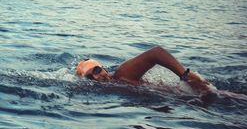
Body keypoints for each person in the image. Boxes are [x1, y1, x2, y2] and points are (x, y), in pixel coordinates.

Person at [76, 46, 211, 93]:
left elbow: (156, 53)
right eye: (89, 77)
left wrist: (186, 76)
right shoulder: (113, 85)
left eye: (96, 70)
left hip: (191, 91)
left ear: (104, 68)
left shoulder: (122, 74)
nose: (95, 77)